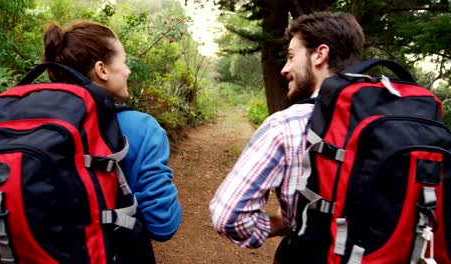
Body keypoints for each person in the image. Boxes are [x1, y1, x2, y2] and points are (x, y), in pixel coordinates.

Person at [209, 11, 364, 255]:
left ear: (320, 55)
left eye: (292, 57)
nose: (284, 69)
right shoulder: (395, 124)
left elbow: (228, 215)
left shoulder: (287, 125)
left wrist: (282, 224)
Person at [42, 20, 182, 259]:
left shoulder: (31, 125)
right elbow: (163, 224)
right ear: (102, 69)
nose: (128, 70)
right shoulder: (142, 128)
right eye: (124, 61)